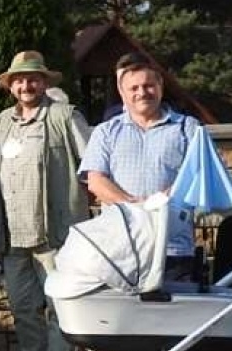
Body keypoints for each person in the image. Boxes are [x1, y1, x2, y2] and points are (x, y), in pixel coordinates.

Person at [0, 51, 90, 351]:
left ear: (44, 82)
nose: (26, 85)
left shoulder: (65, 116)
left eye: (33, 78)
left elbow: (92, 165)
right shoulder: (1, 123)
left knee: (58, 306)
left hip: (56, 234)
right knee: (23, 306)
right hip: (13, 235)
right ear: (10, 86)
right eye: (19, 79)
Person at [78, 58, 201, 278]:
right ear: (122, 92)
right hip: (121, 247)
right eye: (134, 88)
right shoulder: (106, 131)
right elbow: (96, 181)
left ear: (161, 87)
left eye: (148, 86)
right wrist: (137, 207)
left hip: (173, 247)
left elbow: (199, 176)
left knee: (176, 311)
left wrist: (163, 200)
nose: (142, 92)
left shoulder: (188, 128)